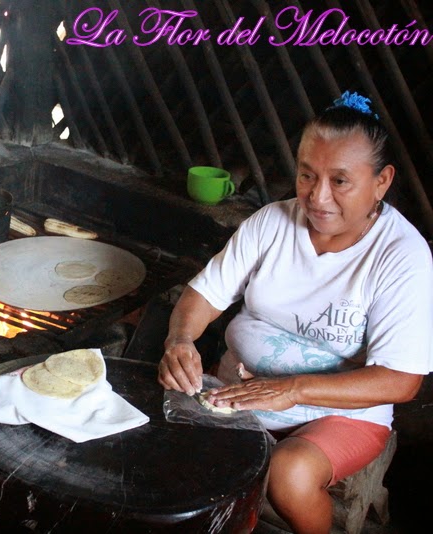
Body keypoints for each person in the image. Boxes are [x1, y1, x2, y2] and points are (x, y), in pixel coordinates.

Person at [158, 91, 433, 534]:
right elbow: (203, 295)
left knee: (289, 473)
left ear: (381, 181)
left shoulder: (401, 255)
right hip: (239, 394)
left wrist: (293, 390)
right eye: (307, 176)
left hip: (340, 414)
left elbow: (401, 380)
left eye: (340, 181)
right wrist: (180, 340)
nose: (318, 197)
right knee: (177, 464)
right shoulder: (270, 222)